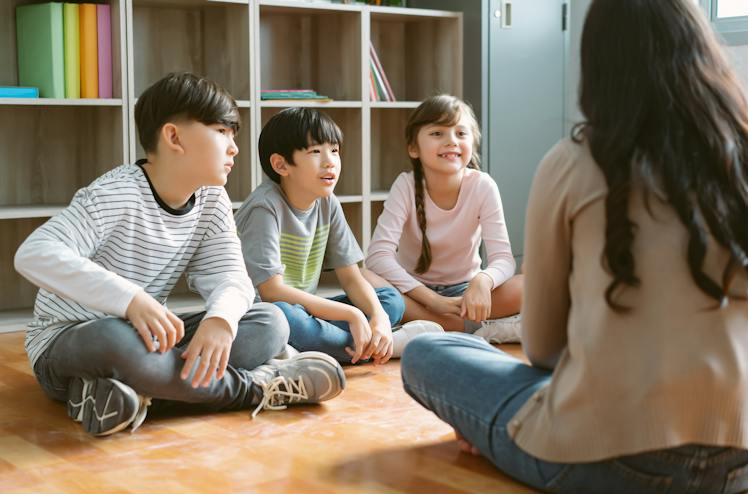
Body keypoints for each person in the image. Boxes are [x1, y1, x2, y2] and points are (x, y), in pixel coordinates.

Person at [400, 1, 748, 494]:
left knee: (426, 352)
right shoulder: (744, 155)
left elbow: (543, 347)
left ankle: (498, 428)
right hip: (741, 459)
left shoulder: (573, 160)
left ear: (598, 62)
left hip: (607, 459)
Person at [14, 72, 345, 437]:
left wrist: (220, 321)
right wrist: (131, 300)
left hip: (152, 337)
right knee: (114, 339)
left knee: (269, 323)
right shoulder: (115, 193)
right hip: (70, 341)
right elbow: (35, 252)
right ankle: (258, 388)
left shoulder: (212, 199)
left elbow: (231, 277)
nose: (234, 147)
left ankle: (124, 395)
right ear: (173, 137)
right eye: (222, 132)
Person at [235, 107, 441, 364]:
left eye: (334, 150)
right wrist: (352, 316)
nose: (330, 161)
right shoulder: (264, 207)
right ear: (281, 164)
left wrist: (378, 316)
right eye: (315, 152)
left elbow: (351, 277)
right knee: (285, 316)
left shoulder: (327, 202)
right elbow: (272, 292)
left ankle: (350, 343)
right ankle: (379, 345)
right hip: (267, 314)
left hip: (308, 311)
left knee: (390, 300)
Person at [365, 95, 523, 343]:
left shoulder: (483, 186)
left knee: (528, 286)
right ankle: (466, 327)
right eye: (438, 133)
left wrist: (483, 281)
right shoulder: (405, 185)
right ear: (413, 148)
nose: (451, 141)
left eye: (461, 133)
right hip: (413, 292)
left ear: (472, 144)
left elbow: (503, 259)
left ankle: (432, 327)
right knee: (363, 277)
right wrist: (433, 301)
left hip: (465, 294)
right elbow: (377, 256)